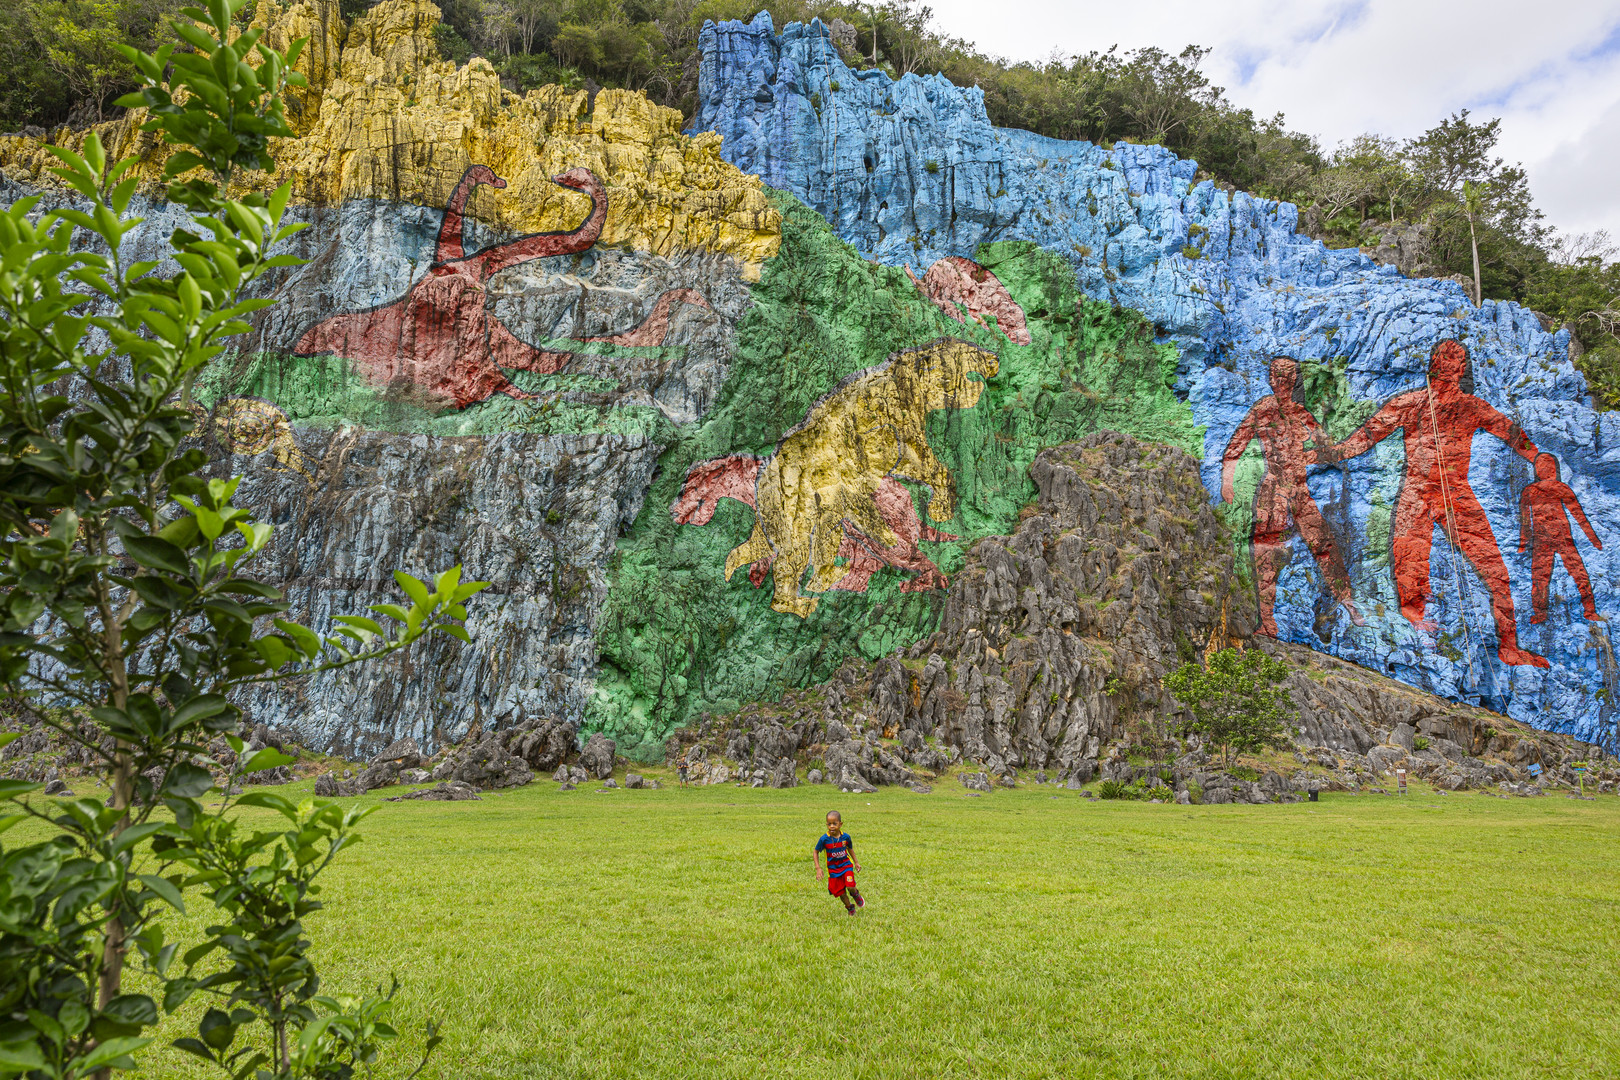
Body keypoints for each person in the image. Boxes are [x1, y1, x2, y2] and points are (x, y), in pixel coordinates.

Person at [1322, 339, 1546, 667]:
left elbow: (1512, 433)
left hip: (1455, 493)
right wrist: (1327, 454)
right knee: (1409, 565)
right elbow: (1365, 438)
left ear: (1462, 370)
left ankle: (1508, 646)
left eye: (1458, 364)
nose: (1451, 370)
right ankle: (1416, 625)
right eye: (1445, 363)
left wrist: (1538, 458)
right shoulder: (1410, 403)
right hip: (1417, 493)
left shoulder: (1473, 407)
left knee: (1496, 572)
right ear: (1434, 366)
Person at [1221, 356, 1363, 635]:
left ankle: (1347, 600)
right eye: (1278, 375)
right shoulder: (1262, 409)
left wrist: (1308, 455)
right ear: (1271, 379)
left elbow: (1326, 447)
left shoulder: (1302, 414)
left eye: (1289, 376)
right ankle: (1267, 620)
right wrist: (1228, 480)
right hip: (1272, 492)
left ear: (1294, 379)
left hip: (1299, 491)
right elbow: (1236, 443)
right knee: (1266, 551)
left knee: (1324, 544)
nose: (1283, 381)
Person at [1519, 452, 1604, 624]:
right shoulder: (1530, 492)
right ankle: (1541, 614)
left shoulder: (1560, 488)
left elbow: (1578, 515)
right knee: (1540, 579)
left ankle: (1589, 610)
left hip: (1562, 538)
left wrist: (1594, 540)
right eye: (1542, 467)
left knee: (1578, 574)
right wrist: (1523, 543)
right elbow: (1525, 521)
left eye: (1548, 466)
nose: (1545, 470)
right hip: (1542, 540)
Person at [813, 810, 865, 915]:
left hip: (846, 866)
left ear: (840, 824)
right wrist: (818, 868)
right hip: (833, 870)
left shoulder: (846, 837)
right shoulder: (824, 839)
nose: (831, 826)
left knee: (850, 885)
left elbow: (850, 849)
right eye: (829, 824)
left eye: (834, 824)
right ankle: (850, 907)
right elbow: (816, 851)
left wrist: (856, 862)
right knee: (841, 892)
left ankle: (855, 894)